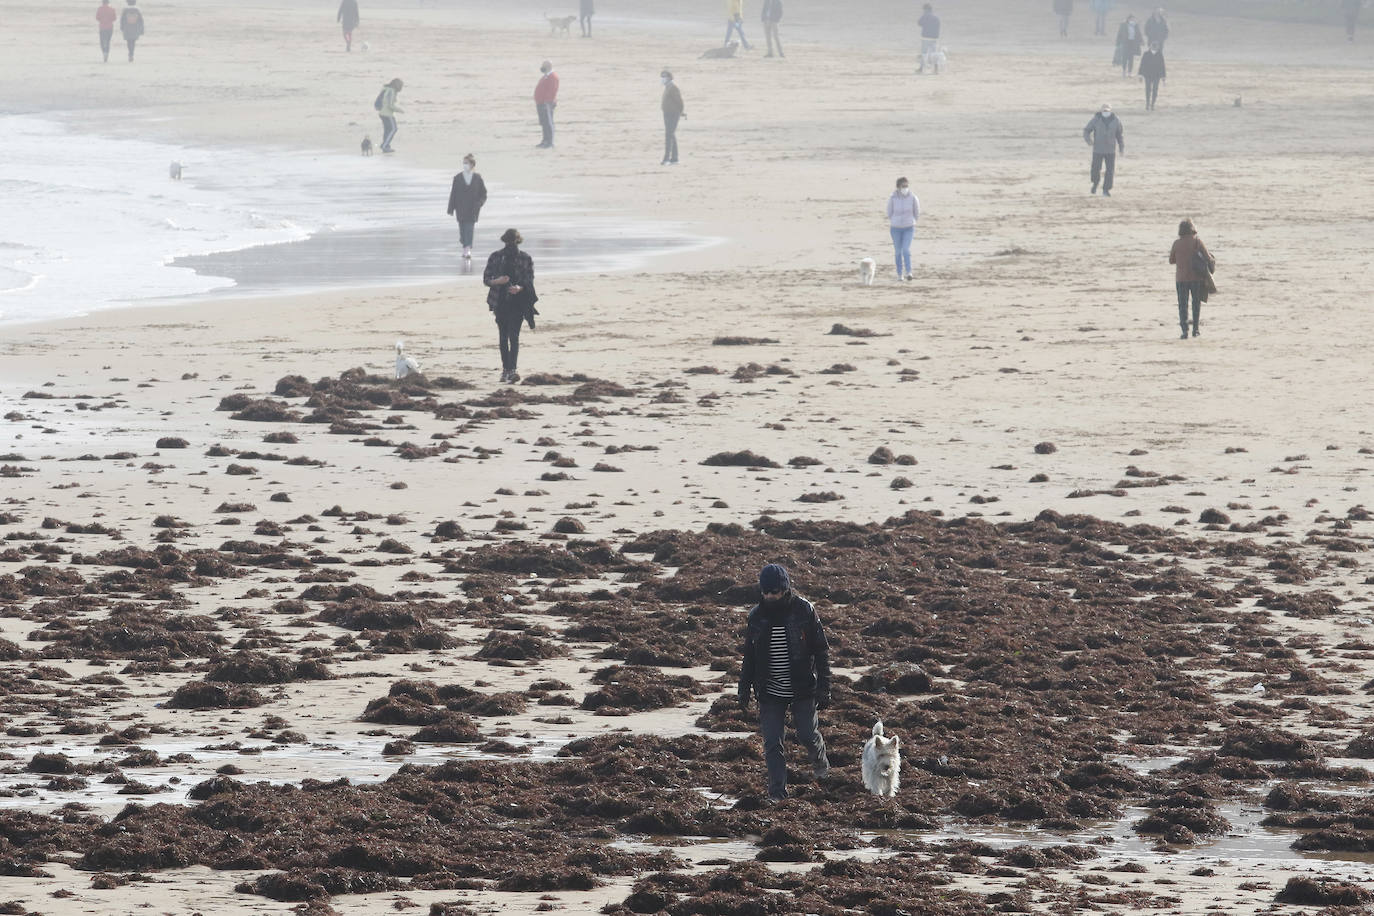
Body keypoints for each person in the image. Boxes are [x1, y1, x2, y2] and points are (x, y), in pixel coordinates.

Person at [737, 564, 831, 803]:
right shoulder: (756, 616)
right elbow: (749, 656)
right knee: (772, 743)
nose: (770, 596)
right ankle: (777, 793)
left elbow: (821, 651)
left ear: (785, 589)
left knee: (807, 735)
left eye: (775, 592)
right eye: (766, 592)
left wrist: (824, 687)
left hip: (802, 687)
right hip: (769, 690)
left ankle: (821, 765)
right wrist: (743, 688)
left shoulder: (804, 611)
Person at [484, 229, 539, 384]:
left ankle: (510, 370)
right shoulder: (496, 257)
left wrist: (519, 288)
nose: (511, 245)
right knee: (506, 336)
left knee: (511, 336)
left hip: (518, 302)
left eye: (512, 242)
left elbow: (529, 279)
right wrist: (498, 281)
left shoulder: (525, 258)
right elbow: (486, 279)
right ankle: (507, 370)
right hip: (500, 301)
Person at [1169, 219, 1214, 339]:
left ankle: (1184, 331)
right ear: (1192, 229)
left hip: (1181, 279)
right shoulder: (1197, 242)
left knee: (1182, 305)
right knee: (1196, 303)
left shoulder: (1176, 243)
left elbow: (1171, 260)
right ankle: (1195, 329)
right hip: (1196, 278)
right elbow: (1208, 258)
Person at [447, 154, 488, 261]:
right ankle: (464, 243)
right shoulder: (457, 178)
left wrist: (479, 203)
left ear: (472, 165)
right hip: (460, 207)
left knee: (469, 229)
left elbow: (483, 193)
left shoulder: (477, 178)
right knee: (462, 230)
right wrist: (451, 208)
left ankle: (467, 249)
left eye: (467, 163)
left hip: (473, 208)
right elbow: (453, 193)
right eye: (464, 163)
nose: (465, 165)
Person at [1083, 103, 1124, 195]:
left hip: (1110, 150)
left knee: (1110, 171)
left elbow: (1119, 135)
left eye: (1107, 111)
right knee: (1095, 169)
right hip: (1098, 149)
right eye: (1104, 110)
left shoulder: (1116, 120)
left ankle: (1106, 189)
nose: (1106, 112)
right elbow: (1086, 130)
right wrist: (1089, 141)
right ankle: (1095, 183)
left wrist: (1121, 148)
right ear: (1101, 111)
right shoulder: (1096, 119)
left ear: (1110, 111)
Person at [886, 177, 920, 281]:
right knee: (898, 252)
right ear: (898, 187)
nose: (905, 188)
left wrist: (911, 221)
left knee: (906, 249)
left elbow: (917, 212)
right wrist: (895, 221)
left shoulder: (913, 197)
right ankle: (899, 274)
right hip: (895, 229)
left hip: (908, 228)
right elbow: (889, 212)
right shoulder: (892, 198)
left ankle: (909, 272)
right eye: (903, 186)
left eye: (906, 186)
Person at [661, 70, 684, 165]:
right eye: (662, 77)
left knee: (669, 135)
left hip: (673, 114)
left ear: (670, 78)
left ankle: (666, 158)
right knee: (671, 134)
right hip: (667, 114)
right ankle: (674, 158)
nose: (662, 79)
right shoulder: (667, 87)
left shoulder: (673, 87)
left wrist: (680, 112)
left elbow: (679, 101)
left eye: (664, 77)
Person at [534, 60, 559, 149]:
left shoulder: (553, 77)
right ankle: (545, 141)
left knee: (548, 123)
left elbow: (552, 91)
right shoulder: (546, 76)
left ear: (548, 66)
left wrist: (546, 103)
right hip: (541, 103)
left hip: (546, 104)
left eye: (543, 66)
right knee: (544, 123)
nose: (542, 67)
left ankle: (549, 142)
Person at [377, 78, 403, 153]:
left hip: (382, 113)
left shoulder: (386, 89)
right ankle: (384, 145)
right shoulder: (391, 91)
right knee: (393, 129)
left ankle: (386, 146)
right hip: (387, 114)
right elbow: (390, 105)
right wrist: (399, 110)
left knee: (387, 130)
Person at [1138, 42, 1165, 110]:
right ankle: (1147, 103)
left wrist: (1163, 76)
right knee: (1148, 89)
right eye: (1153, 46)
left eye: (1155, 46)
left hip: (1157, 75)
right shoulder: (1146, 54)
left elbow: (1162, 66)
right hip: (1148, 75)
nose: (1154, 48)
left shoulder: (1159, 54)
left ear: (1157, 47)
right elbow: (1142, 64)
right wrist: (1140, 75)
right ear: (1150, 47)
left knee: (1155, 90)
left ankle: (1152, 104)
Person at [917, 3, 941, 73]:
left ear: (925, 9)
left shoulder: (925, 16)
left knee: (924, 53)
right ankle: (936, 68)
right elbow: (938, 27)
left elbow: (919, 23)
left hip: (925, 37)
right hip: (934, 38)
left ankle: (921, 68)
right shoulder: (936, 18)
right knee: (934, 54)